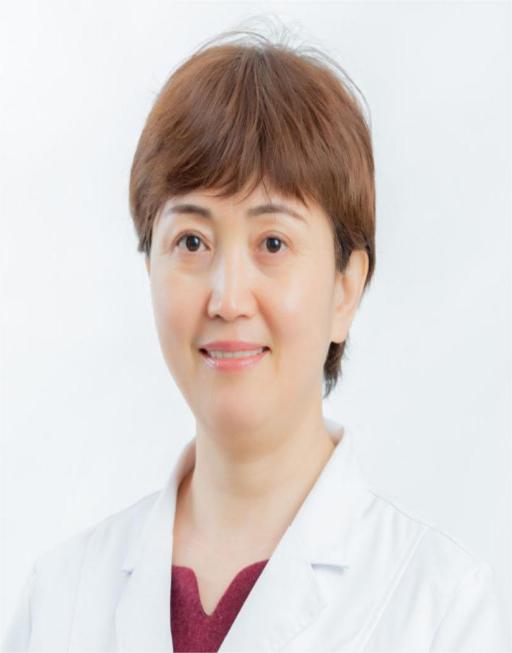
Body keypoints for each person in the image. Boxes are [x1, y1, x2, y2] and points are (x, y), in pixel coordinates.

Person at [2, 25, 510, 653]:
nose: (228, 298)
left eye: (272, 243)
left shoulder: (438, 606)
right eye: (192, 242)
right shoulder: (61, 598)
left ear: (345, 289)